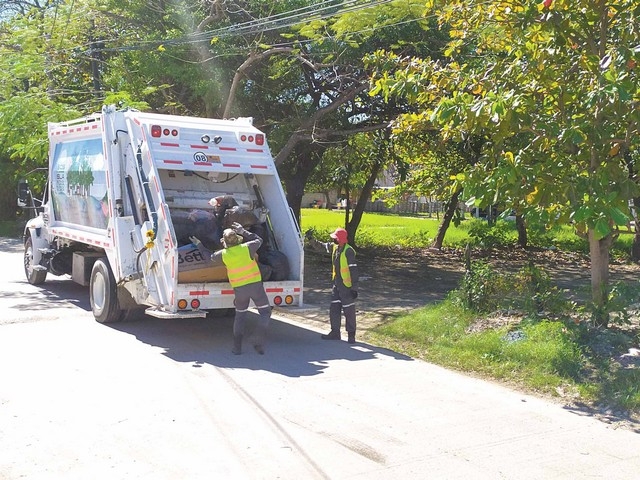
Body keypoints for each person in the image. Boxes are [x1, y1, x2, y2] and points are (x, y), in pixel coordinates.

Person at [191, 221, 271, 355]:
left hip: (240, 290)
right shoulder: (247, 248)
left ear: (224, 242)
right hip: (256, 287)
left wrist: (199, 245)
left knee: (240, 316)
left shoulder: (223, 254)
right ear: (237, 239)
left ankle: (237, 348)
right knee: (265, 313)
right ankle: (257, 337)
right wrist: (242, 231)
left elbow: (208, 258)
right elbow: (259, 239)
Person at [305, 227, 359, 343]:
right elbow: (321, 246)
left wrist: (354, 288)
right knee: (334, 309)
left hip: (346, 286)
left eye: (335, 238)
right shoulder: (335, 248)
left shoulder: (348, 251)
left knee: (349, 310)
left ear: (341, 239)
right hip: (336, 284)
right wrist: (311, 239)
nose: (333, 239)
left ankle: (351, 335)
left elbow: (353, 271)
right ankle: (335, 333)